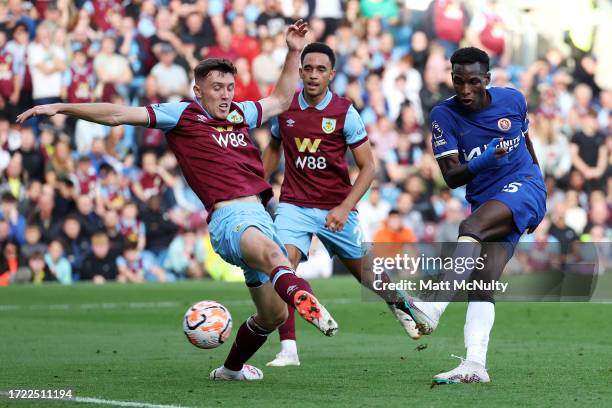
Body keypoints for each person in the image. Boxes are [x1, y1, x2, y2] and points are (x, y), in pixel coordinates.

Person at [17, 20, 338, 382]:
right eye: (217, 87)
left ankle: (230, 369)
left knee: (273, 316)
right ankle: (305, 298)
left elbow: (280, 99)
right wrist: (62, 106)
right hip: (230, 218)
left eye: (230, 87)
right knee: (278, 259)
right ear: (197, 89)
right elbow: (119, 114)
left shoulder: (240, 114)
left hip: (260, 216)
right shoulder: (183, 114)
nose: (225, 94)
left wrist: (294, 50)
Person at [262, 43, 419, 367]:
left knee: (368, 276)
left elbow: (369, 167)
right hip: (294, 204)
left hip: (337, 206)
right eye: (309, 68)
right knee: (282, 268)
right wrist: (259, 186)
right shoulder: (286, 107)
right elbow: (274, 147)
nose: (314, 75)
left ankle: (401, 306)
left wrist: (346, 207)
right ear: (301, 71)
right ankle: (289, 350)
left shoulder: (345, 112)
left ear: (331, 74)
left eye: (322, 69)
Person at [405, 47, 546, 384]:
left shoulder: (512, 100)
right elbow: (452, 177)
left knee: (470, 227)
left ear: (487, 80)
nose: (465, 90)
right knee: (482, 282)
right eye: (458, 82)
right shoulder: (444, 115)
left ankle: (433, 307)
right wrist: (488, 159)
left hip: (523, 186)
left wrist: (539, 189)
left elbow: (526, 143)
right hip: (487, 199)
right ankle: (475, 365)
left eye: (473, 82)